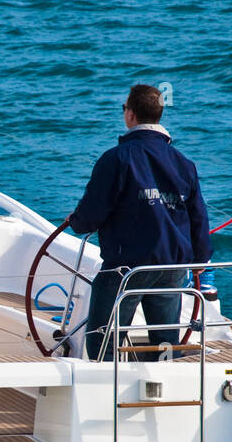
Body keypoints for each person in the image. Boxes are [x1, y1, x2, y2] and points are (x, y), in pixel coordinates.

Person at [68, 84, 212, 361]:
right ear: (158, 115)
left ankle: (107, 395)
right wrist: (200, 260)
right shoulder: (184, 163)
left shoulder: (117, 159)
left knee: (103, 344)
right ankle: (164, 393)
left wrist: (75, 221)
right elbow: (198, 218)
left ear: (130, 114)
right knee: (166, 344)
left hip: (127, 268)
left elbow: (91, 216)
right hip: (172, 266)